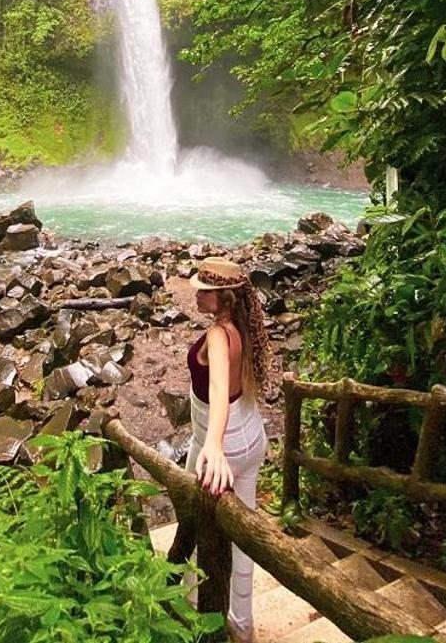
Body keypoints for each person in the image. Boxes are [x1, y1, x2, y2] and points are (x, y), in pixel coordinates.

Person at [186, 256, 271, 643]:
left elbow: (219, 389)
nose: (197, 295)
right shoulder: (242, 325)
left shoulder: (219, 336)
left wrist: (214, 446)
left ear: (224, 298)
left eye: (205, 291)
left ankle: (187, 603)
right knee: (245, 536)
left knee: (191, 516)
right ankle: (242, 623)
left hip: (226, 443)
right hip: (250, 436)